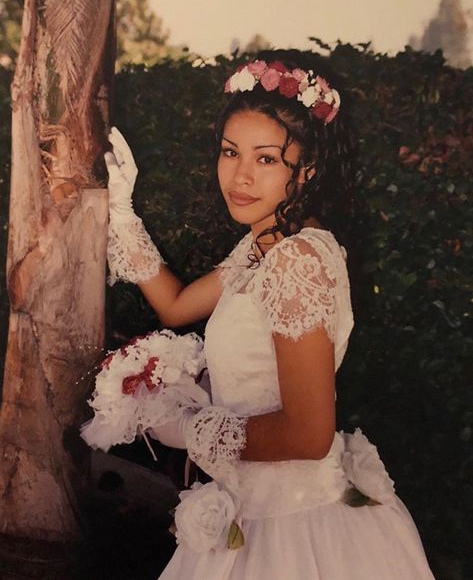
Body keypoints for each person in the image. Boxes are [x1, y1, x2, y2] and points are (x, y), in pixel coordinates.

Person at [104, 50, 436, 580]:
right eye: (230, 152)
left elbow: (308, 434)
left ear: (306, 171)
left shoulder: (296, 259)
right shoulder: (260, 247)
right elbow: (176, 304)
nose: (239, 175)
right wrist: (120, 211)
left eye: (265, 159)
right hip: (252, 510)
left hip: (296, 527)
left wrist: (188, 428)